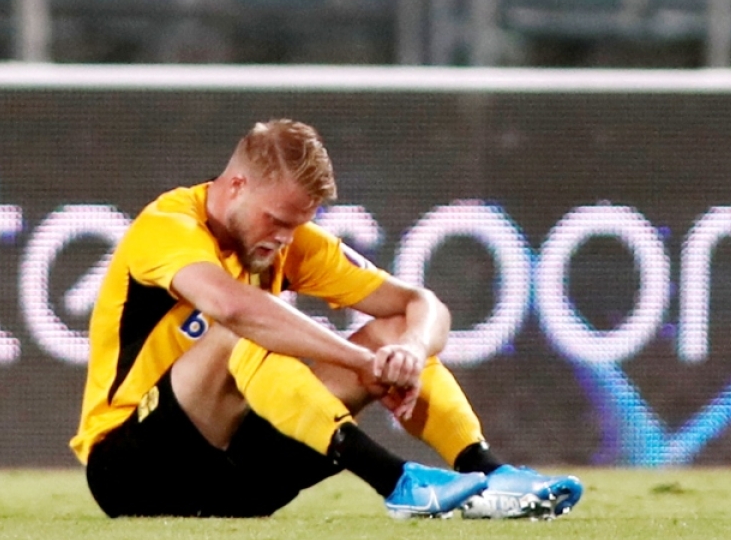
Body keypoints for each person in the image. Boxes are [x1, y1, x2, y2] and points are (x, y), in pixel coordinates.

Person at [70, 119, 582, 519]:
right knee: (241, 331)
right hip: (132, 470)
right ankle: (396, 480)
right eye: (276, 220)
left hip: (238, 482)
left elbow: (423, 305)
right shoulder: (169, 226)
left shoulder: (289, 244)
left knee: (392, 332)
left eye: (296, 226)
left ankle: (486, 473)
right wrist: (361, 362)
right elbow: (233, 308)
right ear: (237, 186)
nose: (283, 239)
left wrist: (409, 352)